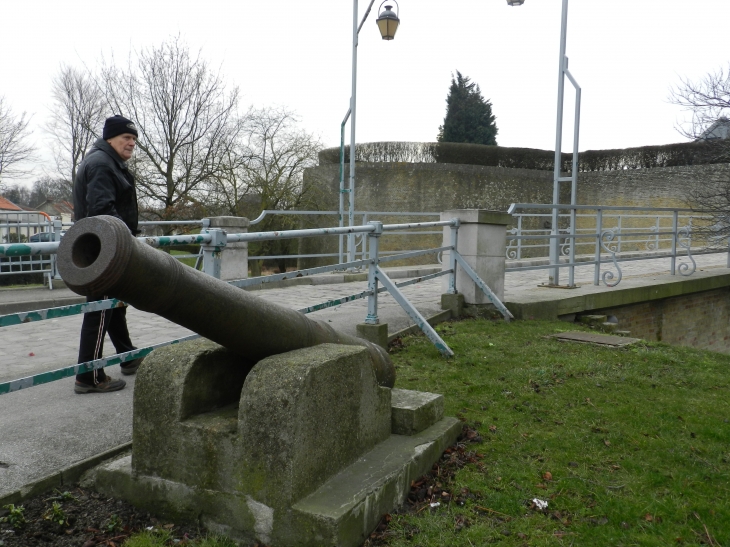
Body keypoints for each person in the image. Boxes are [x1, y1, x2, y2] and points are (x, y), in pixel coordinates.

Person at [72, 115, 144, 394]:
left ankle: (127, 355)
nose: (131, 143)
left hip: (104, 249)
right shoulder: (103, 164)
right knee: (99, 310)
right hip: (102, 252)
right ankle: (87, 375)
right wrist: (128, 244)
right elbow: (103, 211)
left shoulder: (108, 162)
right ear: (110, 138)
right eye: (126, 138)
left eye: (134, 139)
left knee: (113, 306)